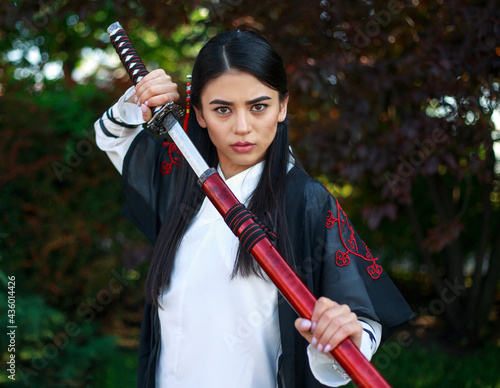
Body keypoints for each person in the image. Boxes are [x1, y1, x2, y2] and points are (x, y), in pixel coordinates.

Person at [95, 30, 413, 388]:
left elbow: (361, 323)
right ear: (198, 114)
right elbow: (112, 137)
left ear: (283, 107)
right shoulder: (181, 185)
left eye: (258, 106)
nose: (242, 127)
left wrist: (342, 335)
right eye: (222, 109)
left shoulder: (305, 200)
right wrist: (136, 101)